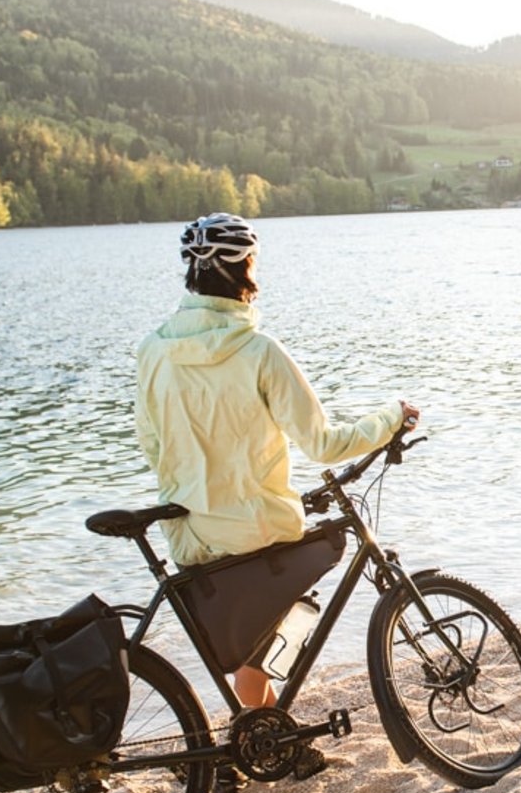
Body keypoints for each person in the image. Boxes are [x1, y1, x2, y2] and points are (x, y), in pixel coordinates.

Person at [136, 212, 416, 724]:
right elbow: (326, 445)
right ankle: (265, 725)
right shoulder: (259, 353)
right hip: (255, 533)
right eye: (253, 261)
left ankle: (265, 731)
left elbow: (153, 447)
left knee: (251, 637)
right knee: (298, 597)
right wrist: (391, 417)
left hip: (191, 538)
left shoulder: (152, 351)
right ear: (243, 266)